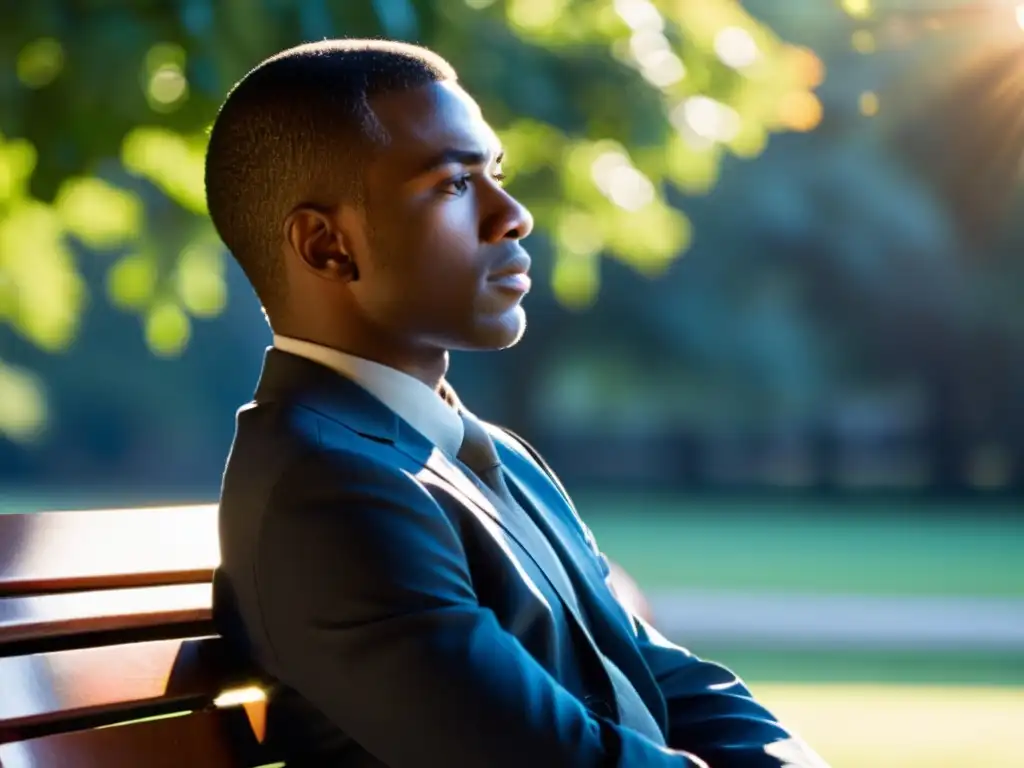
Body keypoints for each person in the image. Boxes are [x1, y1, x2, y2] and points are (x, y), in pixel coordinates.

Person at [207, 39, 828, 768]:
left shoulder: (486, 453)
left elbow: (662, 673)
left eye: (494, 173)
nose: (512, 215)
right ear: (325, 246)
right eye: (451, 184)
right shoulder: (327, 494)